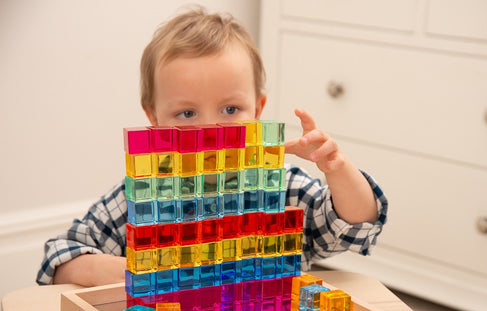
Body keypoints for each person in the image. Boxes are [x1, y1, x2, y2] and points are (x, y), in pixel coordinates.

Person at [36, 8, 388, 286]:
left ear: (258, 110)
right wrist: (126, 270)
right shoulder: (139, 198)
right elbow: (60, 257)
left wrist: (338, 170)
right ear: (154, 118)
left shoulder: (281, 186)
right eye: (186, 113)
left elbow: (354, 225)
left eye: (230, 109)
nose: (208, 130)